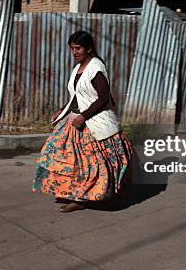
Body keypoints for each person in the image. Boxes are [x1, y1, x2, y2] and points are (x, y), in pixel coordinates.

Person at [32, 30, 134, 212]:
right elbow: (76, 96)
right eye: (72, 48)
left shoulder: (96, 69)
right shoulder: (77, 69)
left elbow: (103, 98)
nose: (75, 52)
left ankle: (81, 199)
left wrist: (83, 116)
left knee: (90, 164)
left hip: (94, 123)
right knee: (59, 155)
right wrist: (62, 111)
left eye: (78, 48)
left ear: (89, 48)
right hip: (75, 119)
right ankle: (72, 192)